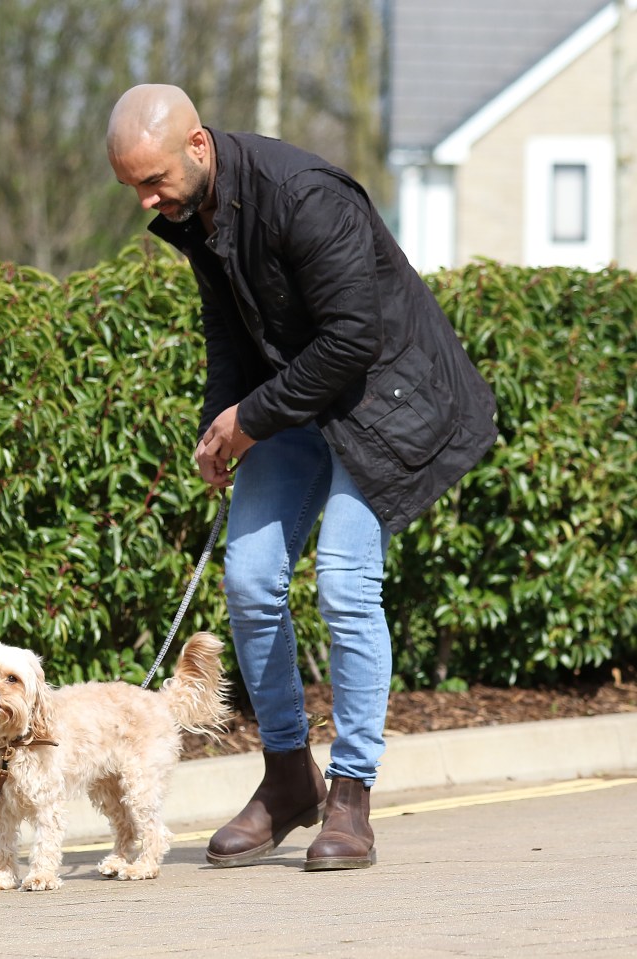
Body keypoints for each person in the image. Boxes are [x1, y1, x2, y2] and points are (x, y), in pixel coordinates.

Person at [106, 84, 497, 871]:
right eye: (132, 188)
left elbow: (352, 339)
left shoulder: (304, 196)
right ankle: (289, 778)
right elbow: (230, 333)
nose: (145, 200)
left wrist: (251, 419)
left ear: (198, 146)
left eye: (153, 180)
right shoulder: (199, 213)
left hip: (382, 399)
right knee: (250, 579)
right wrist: (222, 421)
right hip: (296, 401)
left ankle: (350, 795)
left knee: (347, 581)